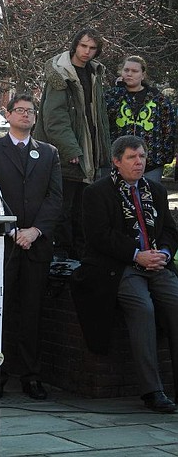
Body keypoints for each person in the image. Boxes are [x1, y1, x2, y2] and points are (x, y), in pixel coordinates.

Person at [75, 135, 178, 413]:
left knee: (175, 301)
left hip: (157, 263)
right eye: (132, 157)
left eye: (143, 156)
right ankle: (152, 390)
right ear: (116, 162)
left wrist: (164, 254)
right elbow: (99, 237)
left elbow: (169, 230)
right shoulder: (97, 192)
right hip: (119, 267)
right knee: (143, 308)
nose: (139, 162)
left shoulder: (154, 190)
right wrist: (137, 255)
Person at [0, 94, 62, 400]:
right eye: (20, 110)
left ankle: (31, 375)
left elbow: (55, 198)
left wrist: (35, 231)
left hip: (36, 245)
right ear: (8, 115)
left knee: (32, 311)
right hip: (5, 243)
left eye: (30, 111)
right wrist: (11, 228)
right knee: (2, 310)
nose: (25, 115)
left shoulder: (49, 153)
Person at [33, 28, 111, 260]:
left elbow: (97, 117)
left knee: (82, 210)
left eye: (92, 48)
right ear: (75, 45)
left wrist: (102, 152)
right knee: (62, 209)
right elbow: (54, 119)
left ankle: (78, 258)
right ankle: (60, 258)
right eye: (83, 46)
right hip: (66, 153)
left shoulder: (94, 73)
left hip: (88, 151)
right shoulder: (60, 74)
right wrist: (71, 149)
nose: (87, 52)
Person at [106, 55, 176, 183]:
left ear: (143, 75)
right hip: (119, 161)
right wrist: (119, 90)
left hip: (151, 162)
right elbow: (104, 119)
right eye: (126, 70)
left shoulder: (158, 98)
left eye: (135, 71)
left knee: (149, 199)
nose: (129, 74)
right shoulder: (112, 95)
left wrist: (165, 156)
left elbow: (169, 128)